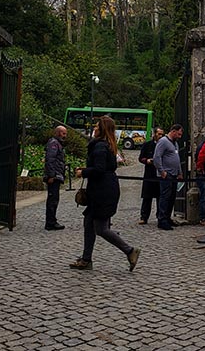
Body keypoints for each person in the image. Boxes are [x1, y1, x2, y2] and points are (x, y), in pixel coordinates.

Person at [70, 116, 140, 271]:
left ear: (102, 129)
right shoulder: (107, 145)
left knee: (101, 228)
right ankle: (86, 259)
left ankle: (129, 250)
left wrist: (84, 172)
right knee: (89, 223)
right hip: (104, 189)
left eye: (96, 126)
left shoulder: (100, 146)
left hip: (102, 192)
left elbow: (100, 169)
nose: (94, 128)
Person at [153, 124, 184, 231]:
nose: (180, 136)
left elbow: (177, 158)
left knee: (171, 197)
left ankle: (167, 217)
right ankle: (162, 219)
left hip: (174, 174)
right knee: (165, 197)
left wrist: (180, 172)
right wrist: (162, 171)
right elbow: (157, 157)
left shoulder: (175, 144)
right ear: (173, 131)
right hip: (167, 174)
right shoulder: (163, 142)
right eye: (179, 134)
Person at [138, 126, 164, 225]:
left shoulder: (164, 145)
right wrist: (147, 160)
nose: (161, 136)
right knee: (147, 197)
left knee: (160, 196)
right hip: (149, 173)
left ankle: (160, 216)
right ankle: (144, 217)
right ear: (154, 134)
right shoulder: (147, 145)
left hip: (160, 173)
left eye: (162, 134)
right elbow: (141, 158)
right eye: (159, 134)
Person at [43, 125, 67, 231]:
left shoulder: (57, 144)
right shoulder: (54, 143)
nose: (64, 136)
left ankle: (52, 220)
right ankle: (50, 222)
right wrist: (51, 175)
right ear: (57, 133)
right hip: (54, 176)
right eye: (63, 133)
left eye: (65, 134)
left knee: (54, 199)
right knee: (52, 199)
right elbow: (50, 159)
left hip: (57, 175)